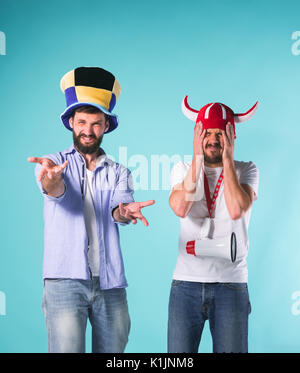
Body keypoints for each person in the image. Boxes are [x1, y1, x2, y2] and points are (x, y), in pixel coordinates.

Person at [28, 67, 154, 353]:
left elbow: (116, 211)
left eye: (95, 123)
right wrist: (51, 181)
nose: (87, 130)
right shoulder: (53, 163)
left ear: (106, 126)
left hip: (110, 285)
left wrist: (126, 211)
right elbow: (56, 192)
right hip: (63, 282)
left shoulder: (119, 171)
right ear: (71, 122)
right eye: (81, 122)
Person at [168, 97, 259, 353]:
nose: (213, 139)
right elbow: (180, 207)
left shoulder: (247, 170)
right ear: (198, 135)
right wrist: (197, 159)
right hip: (185, 284)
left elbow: (236, 208)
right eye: (206, 132)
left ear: (232, 136)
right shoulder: (183, 168)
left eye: (221, 133)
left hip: (231, 283)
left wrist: (228, 161)